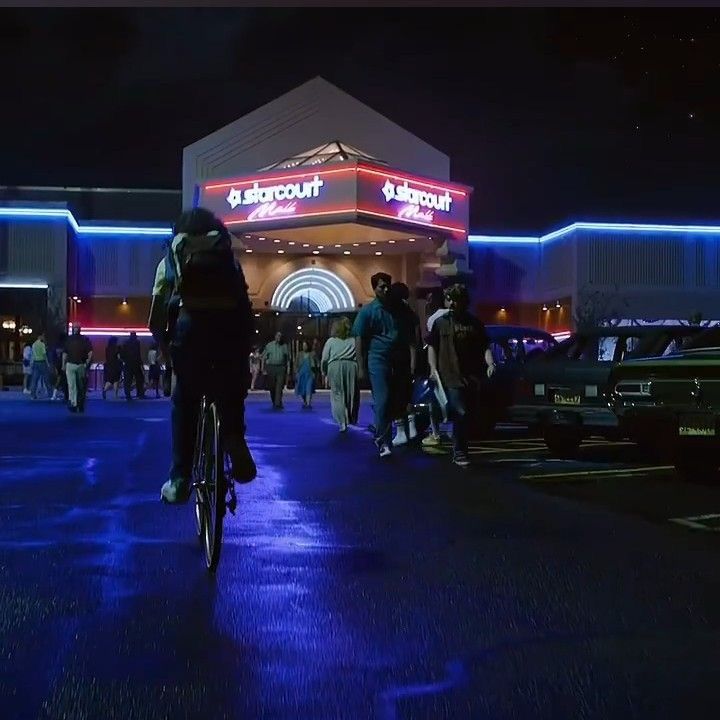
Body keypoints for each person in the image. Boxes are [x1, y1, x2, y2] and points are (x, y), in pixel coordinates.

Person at [148, 207, 256, 504]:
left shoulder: (171, 257)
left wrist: (165, 347)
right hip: (229, 334)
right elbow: (243, 306)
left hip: (190, 332)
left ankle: (180, 477)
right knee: (231, 392)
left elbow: (156, 318)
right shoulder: (227, 258)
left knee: (185, 398)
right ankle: (234, 437)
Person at [427, 283, 496, 468]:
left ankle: (459, 442)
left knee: (468, 414)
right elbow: (432, 346)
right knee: (461, 412)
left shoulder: (474, 324)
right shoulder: (440, 323)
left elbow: (484, 346)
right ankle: (460, 451)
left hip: (471, 375)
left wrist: (490, 363)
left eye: (457, 300)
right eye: (451, 299)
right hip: (450, 375)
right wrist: (433, 368)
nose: (453, 304)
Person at [352, 272, 416, 458]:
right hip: (377, 359)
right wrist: (361, 366)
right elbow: (359, 339)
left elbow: (411, 333)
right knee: (383, 400)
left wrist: (412, 361)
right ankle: (382, 440)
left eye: (387, 285)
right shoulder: (368, 311)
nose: (386, 289)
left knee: (398, 400)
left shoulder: (400, 309)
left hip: (398, 359)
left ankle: (397, 433)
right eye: (382, 287)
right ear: (374, 289)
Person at [389, 282, 422, 447]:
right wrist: (414, 363)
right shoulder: (412, 314)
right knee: (408, 394)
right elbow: (415, 342)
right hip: (409, 359)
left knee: (396, 396)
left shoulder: (395, 315)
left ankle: (401, 431)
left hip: (396, 358)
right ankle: (412, 425)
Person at [321, 316, 359, 432]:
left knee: (337, 394)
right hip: (351, 366)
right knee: (351, 393)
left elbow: (325, 358)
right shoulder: (354, 341)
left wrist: (324, 372)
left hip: (335, 366)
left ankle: (342, 421)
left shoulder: (331, 341)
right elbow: (359, 355)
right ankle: (350, 417)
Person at [63, 326, 93, 413]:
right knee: (81, 386)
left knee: (72, 386)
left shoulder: (68, 340)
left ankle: (73, 403)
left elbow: (65, 353)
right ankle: (80, 404)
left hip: (70, 364)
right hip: (80, 365)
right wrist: (87, 363)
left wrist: (63, 365)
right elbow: (90, 352)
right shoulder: (85, 340)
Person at [262, 331, 290, 410]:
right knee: (272, 386)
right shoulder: (269, 345)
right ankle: (274, 400)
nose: (279, 337)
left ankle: (278, 403)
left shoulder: (284, 346)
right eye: (278, 336)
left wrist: (287, 368)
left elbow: (287, 358)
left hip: (281, 368)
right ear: (275, 337)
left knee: (279, 386)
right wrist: (263, 368)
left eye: (280, 336)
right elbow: (264, 357)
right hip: (271, 367)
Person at [121, 331, 145, 400]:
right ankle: (140, 394)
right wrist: (141, 363)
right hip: (136, 363)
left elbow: (122, 353)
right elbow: (138, 354)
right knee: (139, 379)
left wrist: (124, 360)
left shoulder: (125, 343)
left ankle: (128, 395)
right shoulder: (137, 342)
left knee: (127, 380)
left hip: (128, 364)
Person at [294, 339, 317, 409]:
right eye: (303, 346)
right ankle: (305, 401)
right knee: (302, 390)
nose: (304, 347)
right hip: (301, 374)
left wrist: (315, 372)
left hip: (309, 374)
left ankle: (308, 403)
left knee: (308, 388)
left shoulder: (312, 354)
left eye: (305, 345)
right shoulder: (299, 354)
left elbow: (316, 364)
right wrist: (296, 372)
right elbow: (296, 364)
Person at [29, 333, 51, 399]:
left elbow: (32, 355)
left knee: (34, 380)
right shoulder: (42, 344)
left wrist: (31, 363)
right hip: (42, 362)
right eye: (43, 337)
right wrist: (48, 363)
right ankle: (50, 394)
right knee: (46, 379)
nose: (43, 338)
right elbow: (44, 355)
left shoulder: (34, 344)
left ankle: (33, 395)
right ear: (40, 337)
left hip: (35, 362)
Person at [51, 332, 68, 402]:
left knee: (58, 379)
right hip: (64, 364)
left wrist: (54, 365)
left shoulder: (56, 345)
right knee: (65, 380)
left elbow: (53, 356)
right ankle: (65, 395)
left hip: (57, 364)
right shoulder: (65, 345)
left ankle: (54, 394)